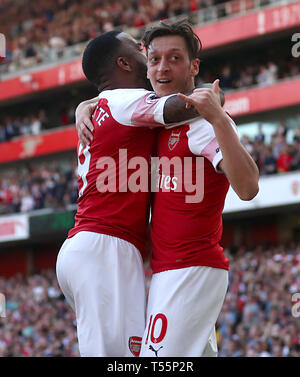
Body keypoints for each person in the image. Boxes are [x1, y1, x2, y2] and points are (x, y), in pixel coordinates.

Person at [76, 21, 259, 357]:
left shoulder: (203, 122)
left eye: (174, 58)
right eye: (156, 58)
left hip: (191, 268)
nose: (162, 67)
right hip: (164, 271)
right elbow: (115, 101)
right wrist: (85, 106)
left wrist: (219, 118)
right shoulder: (153, 123)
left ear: (193, 66)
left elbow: (248, 188)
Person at [56, 30, 214, 357]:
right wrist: (217, 98)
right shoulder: (125, 101)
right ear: (125, 63)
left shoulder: (103, 105)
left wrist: (83, 105)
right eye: (141, 51)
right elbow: (186, 106)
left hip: (88, 246)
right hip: (105, 247)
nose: (149, 57)